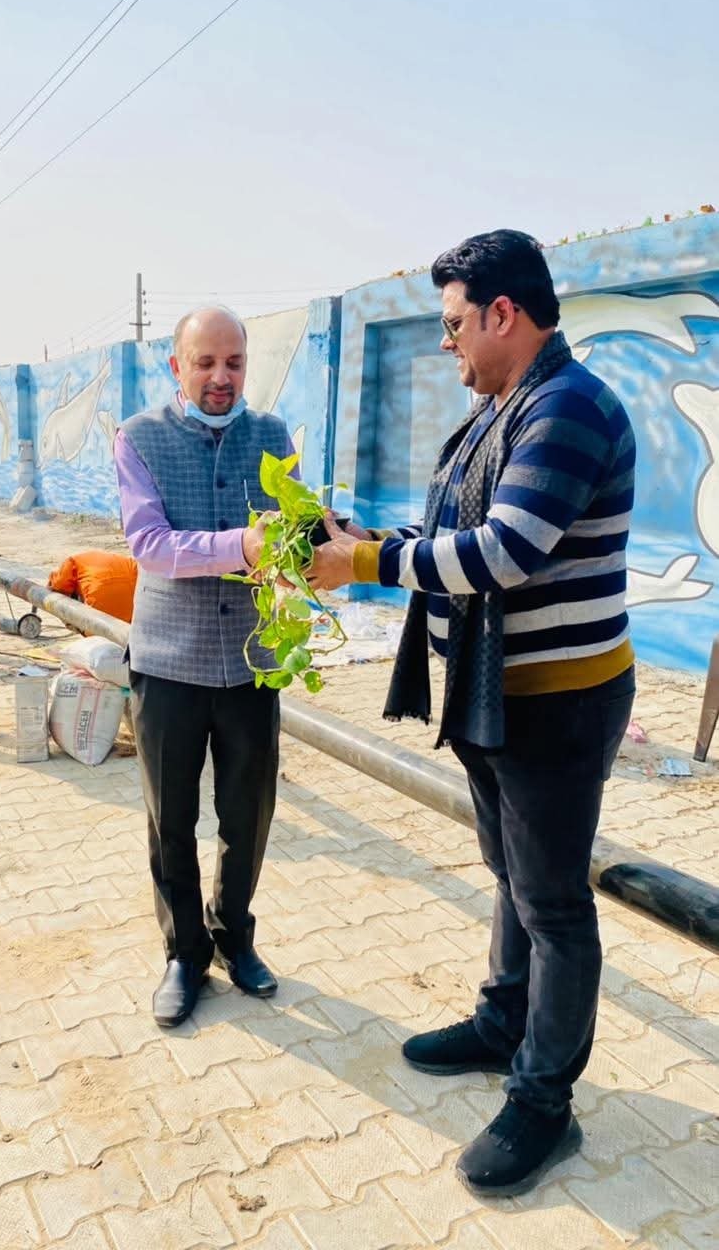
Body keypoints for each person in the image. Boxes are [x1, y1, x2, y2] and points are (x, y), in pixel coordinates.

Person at [306, 231, 636, 1197]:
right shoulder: (504, 410)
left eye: (454, 324)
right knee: (512, 877)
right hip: (500, 699)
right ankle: (503, 1024)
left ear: (504, 313)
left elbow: (504, 552)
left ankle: (544, 1102)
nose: (446, 342)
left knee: (554, 904)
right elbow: (456, 533)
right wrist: (368, 538)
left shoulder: (568, 408)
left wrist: (367, 564)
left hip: (558, 706)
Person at [114, 306, 292, 1028]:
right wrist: (241, 547)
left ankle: (234, 935)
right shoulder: (140, 438)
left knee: (248, 816)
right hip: (169, 663)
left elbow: (293, 526)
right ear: (177, 366)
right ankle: (185, 953)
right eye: (206, 363)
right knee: (172, 819)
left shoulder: (273, 437)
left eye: (234, 363)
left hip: (253, 660)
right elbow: (150, 544)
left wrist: (324, 540)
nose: (222, 377)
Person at [47, 549, 138, 623]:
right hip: (134, 617)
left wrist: (51, 580)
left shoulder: (73, 561)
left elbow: (58, 585)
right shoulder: (124, 560)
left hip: (98, 618)